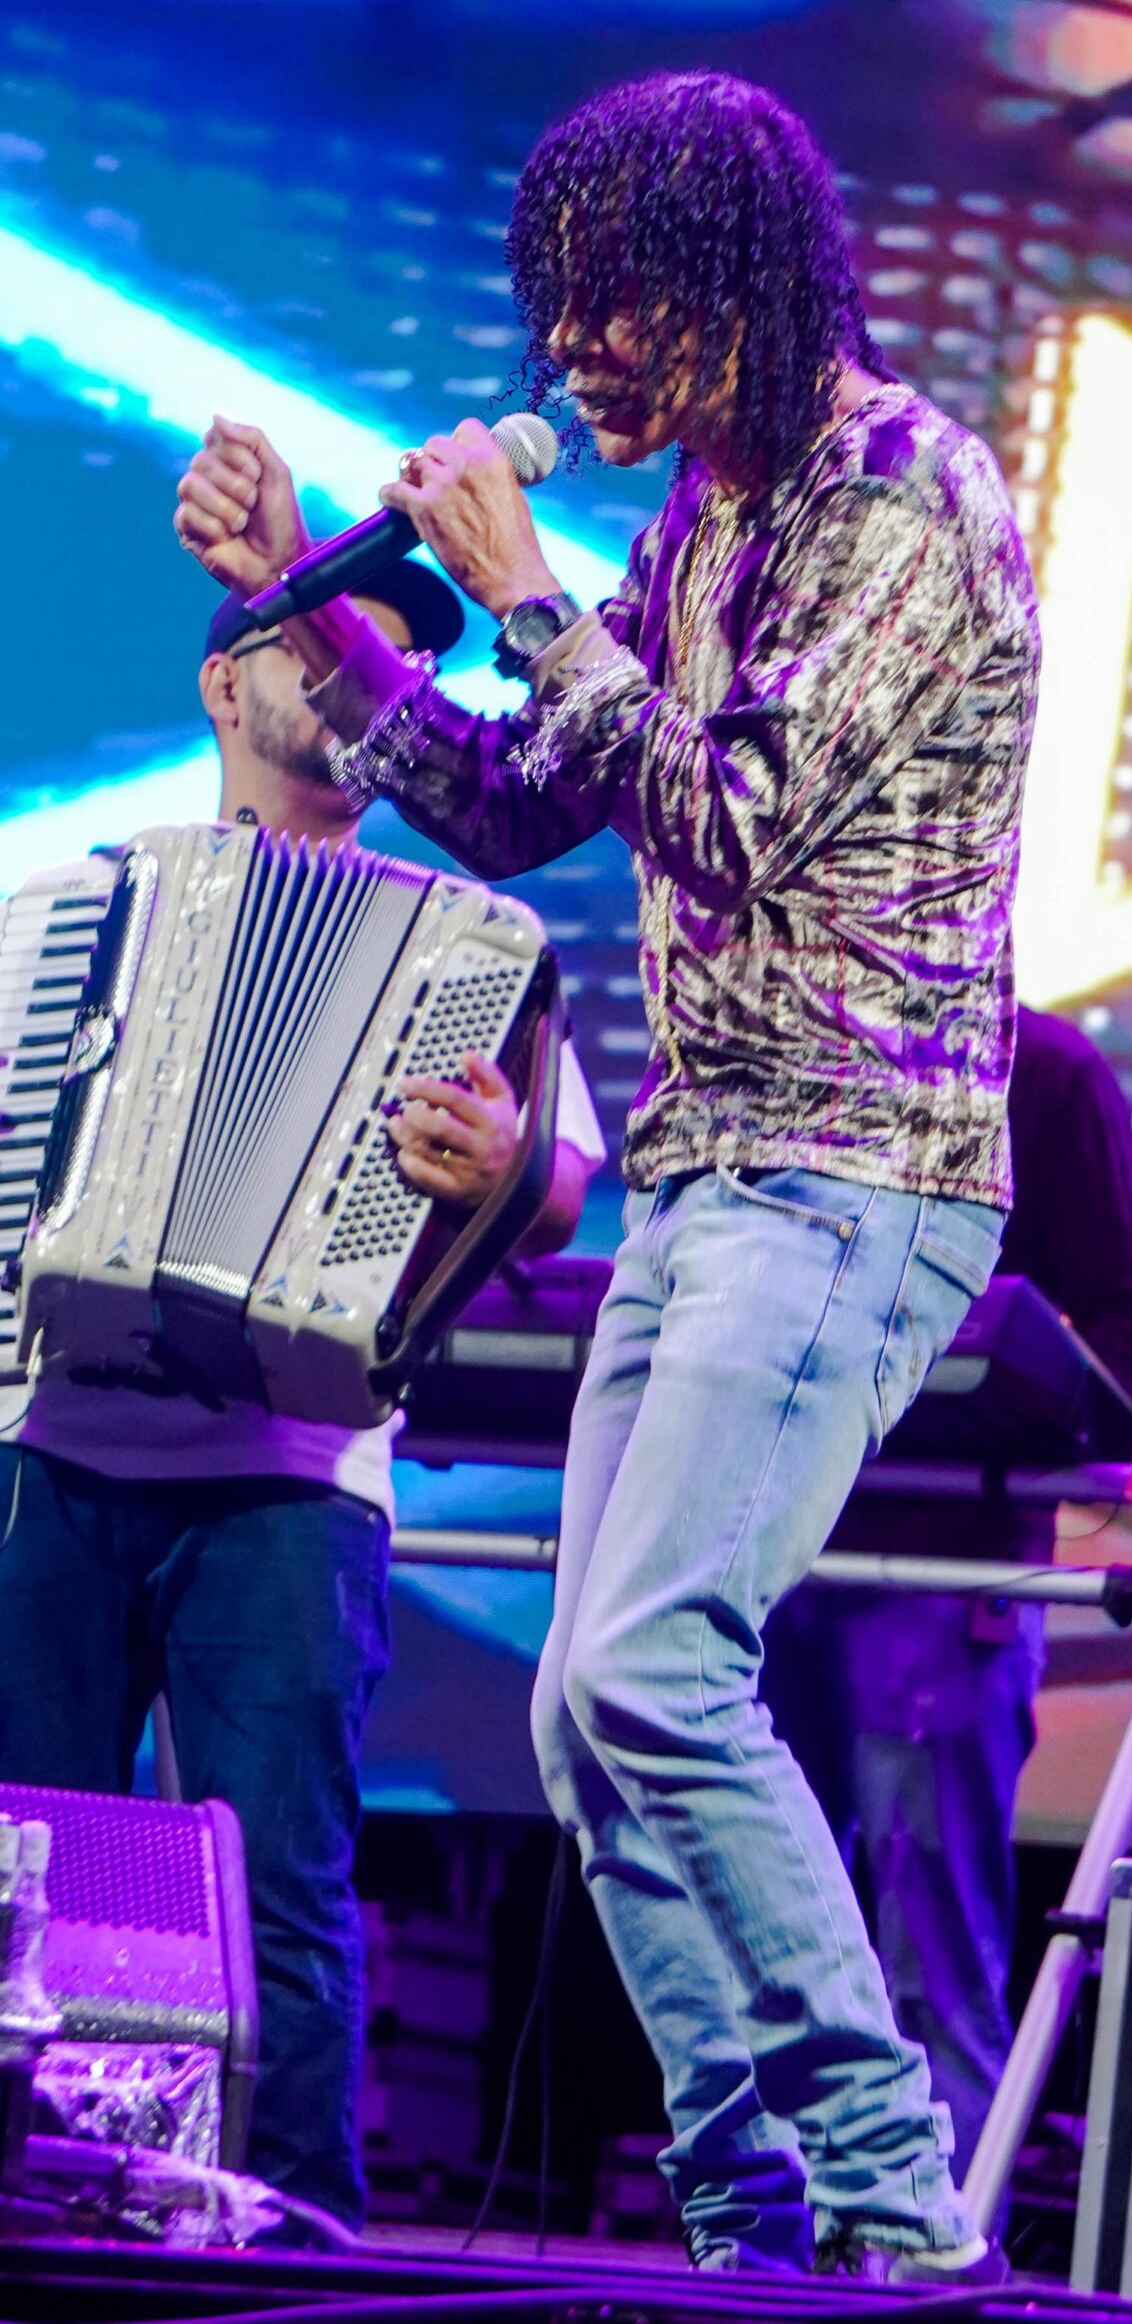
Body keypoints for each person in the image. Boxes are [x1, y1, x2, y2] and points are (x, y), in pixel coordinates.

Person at [174, 70, 1039, 2285]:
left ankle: (896, 2199)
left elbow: (734, 822)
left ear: (738, 280)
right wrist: (314, 601)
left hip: (859, 1169)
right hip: (713, 1178)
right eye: (554, 306)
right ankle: (754, 2217)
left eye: (613, 303)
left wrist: (533, 596)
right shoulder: (704, 534)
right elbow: (507, 800)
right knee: (584, 1709)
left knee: (657, 1661)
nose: (572, 354)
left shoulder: (902, 498)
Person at [0, 536, 606, 2230]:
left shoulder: (461, 948)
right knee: (17, 1877)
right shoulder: (58, 903)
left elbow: (560, 1186)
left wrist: (503, 1163)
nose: (358, 684)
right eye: (319, 650)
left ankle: (289, 2251)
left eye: (391, 662)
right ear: (224, 683)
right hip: (46, 1450)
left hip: (293, 1477)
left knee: (282, 1904)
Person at [766, 1001, 1132, 2188]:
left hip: (944, 1574)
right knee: (753, 1935)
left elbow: (1126, 1348)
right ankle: (763, 2237)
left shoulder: (1046, 1073)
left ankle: (930, 2237)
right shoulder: (789, 1049)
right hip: (769, 1543)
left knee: (927, 1956)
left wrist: (974, 1365)